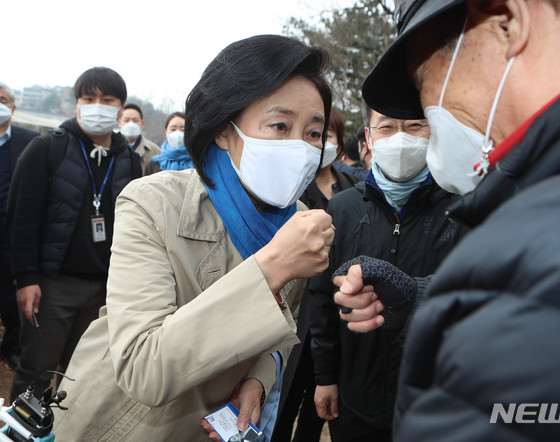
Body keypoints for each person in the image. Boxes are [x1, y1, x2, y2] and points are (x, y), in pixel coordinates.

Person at [333, 0, 560, 439]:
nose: (427, 107)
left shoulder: (554, 251)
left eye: (423, 79)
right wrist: (423, 297)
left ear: (506, 20)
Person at [52, 34, 334, 442]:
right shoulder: (151, 201)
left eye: (312, 133)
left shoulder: (300, 223)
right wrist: (273, 264)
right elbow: (142, 367)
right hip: (116, 424)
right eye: (279, 125)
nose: (300, 147)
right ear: (224, 129)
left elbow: (280, 330)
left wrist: (258, 378)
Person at [310, 104, 466, 442]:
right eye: (387, 127)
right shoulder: (342, 208)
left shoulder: (461, 209)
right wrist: (325, 376)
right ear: (368, 136)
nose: (400, 139)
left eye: (414, 127)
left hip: (431, 403)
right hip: (355, 399)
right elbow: (322, 300)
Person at [6, 67, 141, 401]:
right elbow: (22, 218)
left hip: (106, 288)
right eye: (89, 98)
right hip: (53, 285)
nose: (98, 106)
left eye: (107, 100)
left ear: (120, 107)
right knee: (37, 369)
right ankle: (21, 434)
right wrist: (26, 278)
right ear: (77, 103)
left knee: (81, 375)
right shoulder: (46, 149)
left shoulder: (128, 160)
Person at [272, 108, 358, 442]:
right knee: (285, 397)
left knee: (320, 401)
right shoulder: (286, 189)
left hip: (335, 309)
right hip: (296, 309)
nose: (320, 144)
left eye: (325, 135)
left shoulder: (352, 185)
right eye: (313, 136)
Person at [0, 82, 39, 371]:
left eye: (2, 100)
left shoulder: (29, 140)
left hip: (11, 233)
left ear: (12, 107)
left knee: (11, 296)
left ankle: (11, 346)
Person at [118, 102, 161, 174]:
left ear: (142, 123)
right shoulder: (111, 148)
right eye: (126, 120)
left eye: (135, 120)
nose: (131, 124)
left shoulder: (155, 151)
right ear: (119, 123)